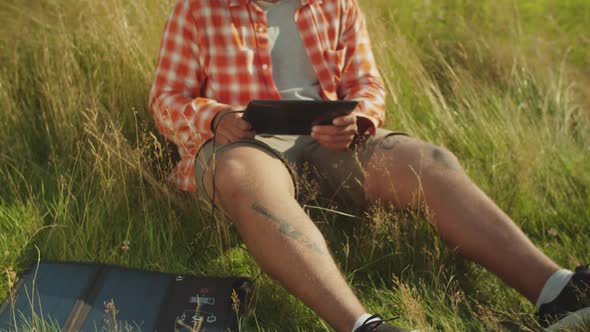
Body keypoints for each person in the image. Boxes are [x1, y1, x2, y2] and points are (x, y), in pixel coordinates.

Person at [148, 0, 590, 331]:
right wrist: (216, 117)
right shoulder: (198, 7)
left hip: (330, 142)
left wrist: (356, 120)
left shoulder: (336, 3)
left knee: (431, 161)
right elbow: (165, 99)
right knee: (246, 180)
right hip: (244, 146)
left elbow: (367, 83)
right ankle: (363, 326)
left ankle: (558, 290)